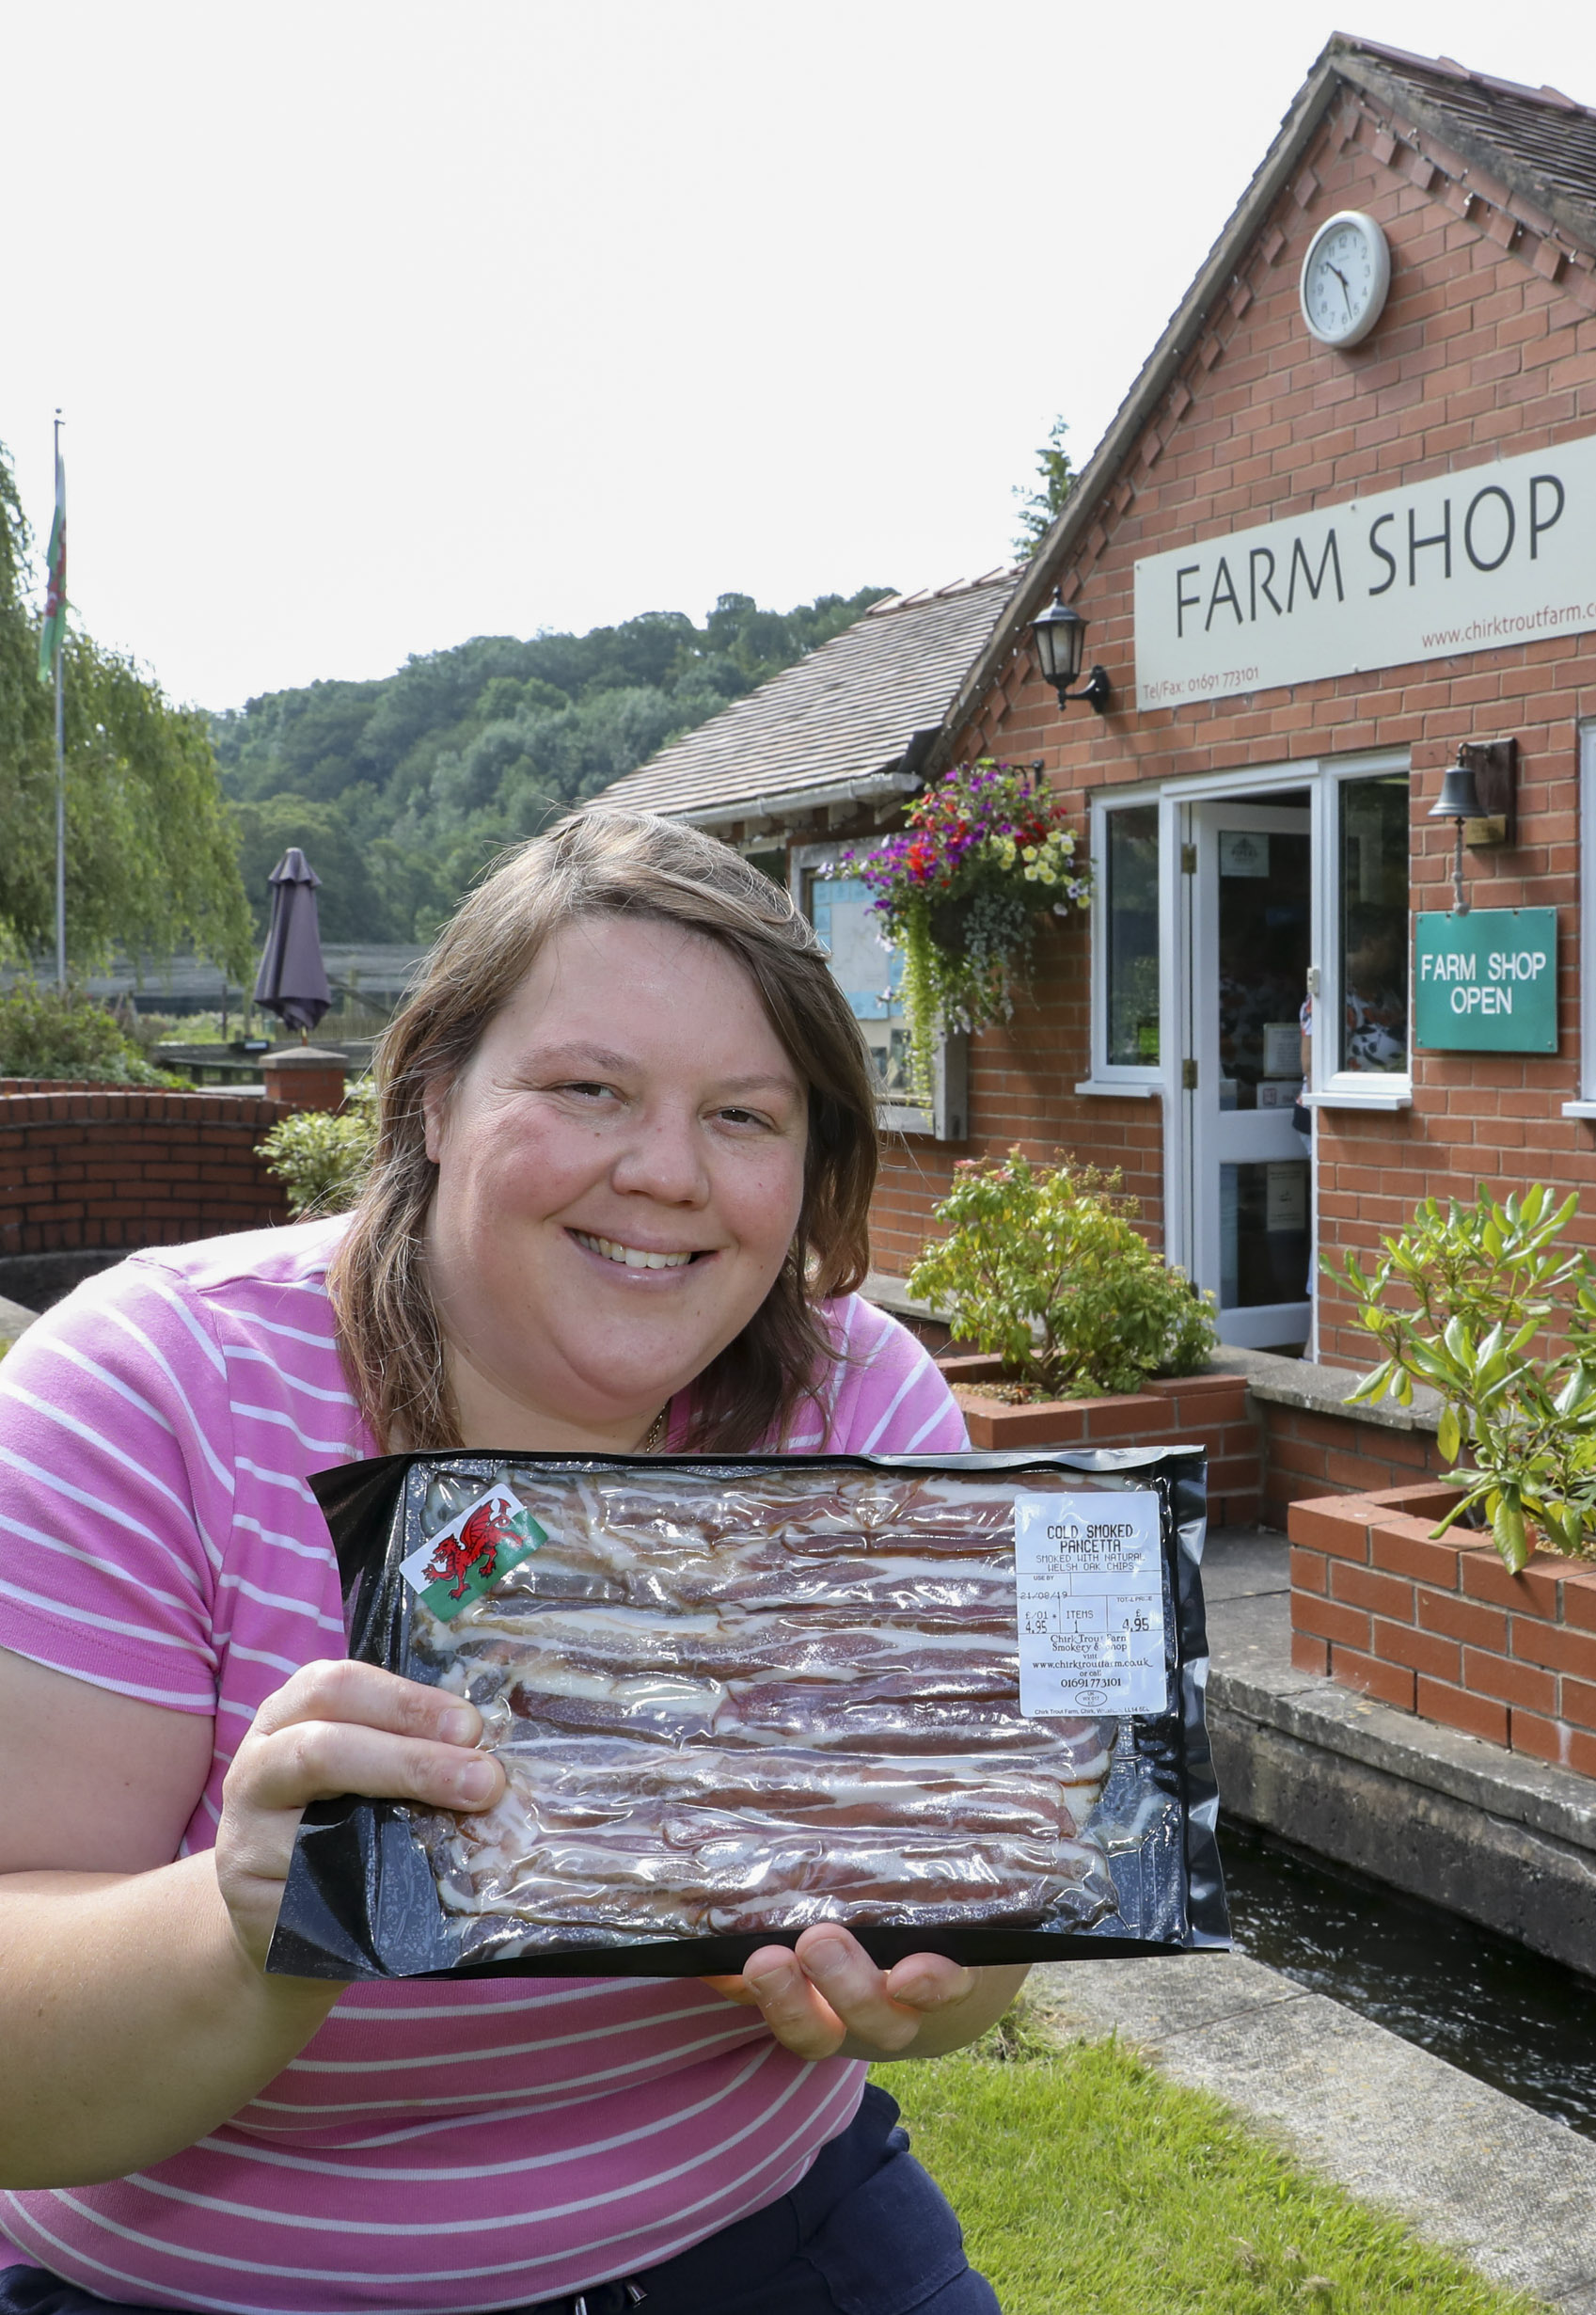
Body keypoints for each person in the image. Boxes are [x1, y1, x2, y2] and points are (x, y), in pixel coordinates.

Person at [0, 814, 1014, 2315]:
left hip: (781, 2233)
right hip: (210, 2291)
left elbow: (983, 1923)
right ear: (428, 1101)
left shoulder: (856, 1404)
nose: (666, 1171)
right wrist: (244, 1919)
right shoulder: (155, 1389)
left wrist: (930, 1977)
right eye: (588, 1089)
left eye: (744, 1115)